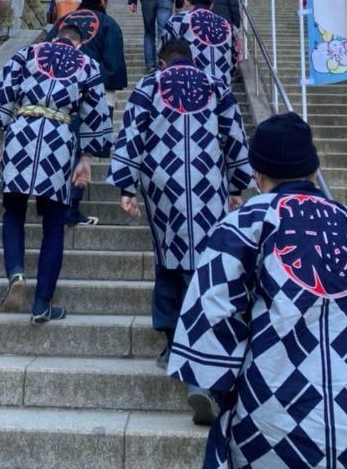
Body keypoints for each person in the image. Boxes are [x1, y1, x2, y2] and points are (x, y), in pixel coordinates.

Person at [169, 112, 347, 457]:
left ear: (257, 175)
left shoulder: (240, 228)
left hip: (270, 421)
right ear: (314, 170)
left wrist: (221, 389)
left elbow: (212, 318)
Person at [108, 37, 251, 422]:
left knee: (168, 259)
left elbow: (131, 133)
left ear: (162, 59)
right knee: (204, 267)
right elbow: (235, 136)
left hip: (162, 186)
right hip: (208, 185)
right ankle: (200, 360)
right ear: (191, 58)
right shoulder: (216, 85)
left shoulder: (149, 85)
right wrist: (238, 184)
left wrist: (125, 184)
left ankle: (171, 340)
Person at [0, 23, 111, 322]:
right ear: (78, 43)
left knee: (13, 212)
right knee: (53, 224)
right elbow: (96, 112)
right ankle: (42, 303)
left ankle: (16, 273)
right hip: (58, 138)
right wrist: (86, 158)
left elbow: (4, 94)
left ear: (56, 37)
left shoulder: (27, 54)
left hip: (21, 132)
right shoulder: (87, 64)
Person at [47, 0, 128, 225]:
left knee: (60, 146)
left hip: (57, 92)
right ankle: (71, 205)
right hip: (93, 95)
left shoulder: (64, 21)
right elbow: (113, 65)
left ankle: (53, 202)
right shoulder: (109, 24)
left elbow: (45, 49)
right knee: (84, 148)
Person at [161, 0, 238, 87]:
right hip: (222, 87)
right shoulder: (227, 24)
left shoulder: (178, 20)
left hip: (189, 84)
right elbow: (235, 58)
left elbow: (164, 53)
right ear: (211, 5)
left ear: (186, 1)